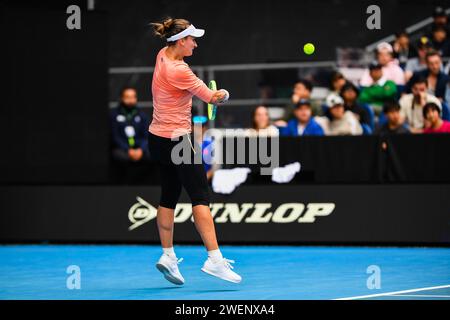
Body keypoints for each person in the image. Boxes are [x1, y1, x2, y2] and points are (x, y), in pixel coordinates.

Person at [148, 17, 241, 285]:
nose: (195, 44)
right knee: (200, 196)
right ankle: (214, 260)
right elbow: (212, 98)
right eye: (192, 39)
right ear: (180, 41)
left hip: (157, 138)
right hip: (179, 140)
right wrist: (223, 93)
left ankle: (167, 255)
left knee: (169, 195)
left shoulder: (162, 54)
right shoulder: (180, 71)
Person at [110, 87, 150, 163]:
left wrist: (141, 149)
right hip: (122, 149)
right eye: (127, 97)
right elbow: (115, 137)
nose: (130, 100)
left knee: (152, 154)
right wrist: (128, 150)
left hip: (139, 148)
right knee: (119, 155)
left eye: (133, 97)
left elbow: (146, 136)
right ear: (121, 98)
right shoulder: (114, 115)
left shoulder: (142, 116)